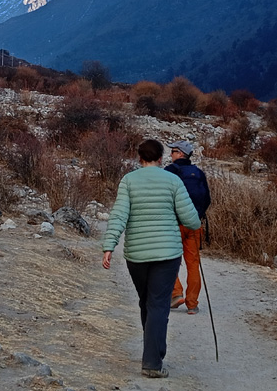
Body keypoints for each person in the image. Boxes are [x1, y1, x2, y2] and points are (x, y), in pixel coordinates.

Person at [102, 139, 201, 379]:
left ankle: (154, 352)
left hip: (136, 254)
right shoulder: (173, 181)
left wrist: (109, 246)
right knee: (157, 304)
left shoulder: (128, 181)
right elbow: (191, 220)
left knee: (147, 301)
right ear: (161, 158)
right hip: (167, 254)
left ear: (139, 159)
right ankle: (153, 360)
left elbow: (119, 215)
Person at [165, 139, 211, 315]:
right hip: (194, 224)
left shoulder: (170, 171)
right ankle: (192, 304)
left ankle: (176, 294)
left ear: (181, 154)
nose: (171, 154)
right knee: (193, 264)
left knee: (169, 261)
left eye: (173, 151)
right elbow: (207, 199)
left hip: (174, 224)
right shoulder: (198, 173)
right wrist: (196, 216)